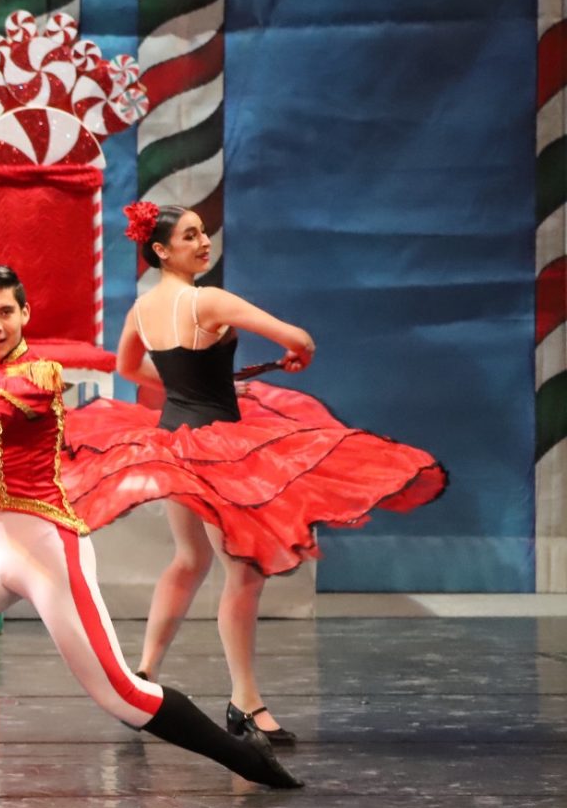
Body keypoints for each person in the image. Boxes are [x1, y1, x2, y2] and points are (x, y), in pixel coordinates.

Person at [0, 265, 302, 800]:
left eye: (4, 312)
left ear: (25, 313)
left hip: (46, 547)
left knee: (122, 695)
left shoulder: (41, 373)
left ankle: (248, 758)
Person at [61, 203, 447, 742]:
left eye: (203, 232)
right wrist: (297, 355)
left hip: (173, 443)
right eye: (190, 236)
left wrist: (189, 387)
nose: (204, 242)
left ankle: (144, 676)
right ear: (162, 250)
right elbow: (300, 339)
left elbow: (127, 367)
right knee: (242, 573)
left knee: (190, 559)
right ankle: (245, 701)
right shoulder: (208, 300)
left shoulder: (142, 310)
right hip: (219, 451)